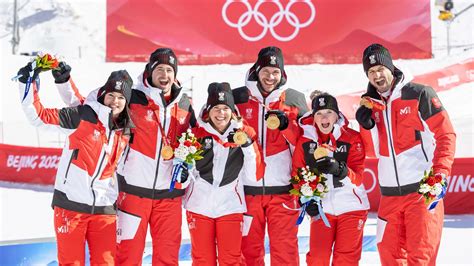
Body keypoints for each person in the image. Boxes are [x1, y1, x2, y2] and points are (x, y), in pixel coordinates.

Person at [52, 48, 196, 265]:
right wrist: (64, 81)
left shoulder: (185, 104)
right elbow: (87, 109)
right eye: (159, 69)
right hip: (133, 195)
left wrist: (188, 166)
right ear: (149, 70)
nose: (164, 75)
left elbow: (198, 140)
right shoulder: (132, 98)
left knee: (167, 259)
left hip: (169, 198)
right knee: (127, 258)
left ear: (175, 74)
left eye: (169, 69)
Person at [16, 63, 134, 265]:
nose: (115, 101)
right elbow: (39, 117)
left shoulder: (125, 130)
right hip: (71, 206)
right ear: (103, 95)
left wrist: (63, 81)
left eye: (121, 97)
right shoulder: (82, 117)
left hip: (105, 209)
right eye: (111, 95)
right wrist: (25, 83)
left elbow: (77, 100)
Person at [355, 43, 456, 265]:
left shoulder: (419, 94)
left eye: (381, 68)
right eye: (371, 72)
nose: (377, 75)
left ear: (391, 67)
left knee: (420, 259)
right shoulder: (370, 104)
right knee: (390, 259)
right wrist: (366, 125)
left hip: (421, 193)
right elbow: (372, 153)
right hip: (389, 197)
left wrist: (440, 173)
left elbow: (446, 135)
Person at [232, 46, 309, 265]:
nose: (270, 76)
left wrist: (287, 127)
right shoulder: (238, 97)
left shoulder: (294, 99)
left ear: (282, 73)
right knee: (248, 253)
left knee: (285, 253)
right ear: (257, 70)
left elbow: (306, 142)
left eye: (276, 71)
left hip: (283, 191)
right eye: (266, 70)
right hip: (247, 192)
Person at [183, 82, 264, 266]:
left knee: (231, 259)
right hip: (199, 206)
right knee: (202, 260)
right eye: (216, 108)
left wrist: (247, 146)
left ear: (232, 110)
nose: (221, 114)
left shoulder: (244, 133)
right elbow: (185, 172)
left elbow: (254, 175)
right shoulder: (196, 134)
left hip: (231, 206)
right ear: (208, 110)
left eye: (225, 108)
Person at [292, 92, 369, 266]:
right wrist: (305, 200)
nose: (324, 117)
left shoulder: (352, 138)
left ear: (337, 115)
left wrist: (341, 171)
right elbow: (297, 174)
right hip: (322, 210)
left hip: (352, 207)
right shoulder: (305, 141)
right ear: (313, 117)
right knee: (317, 259)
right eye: (319, 113)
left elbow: (359, 177)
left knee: (346, 260)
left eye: (328, 112)